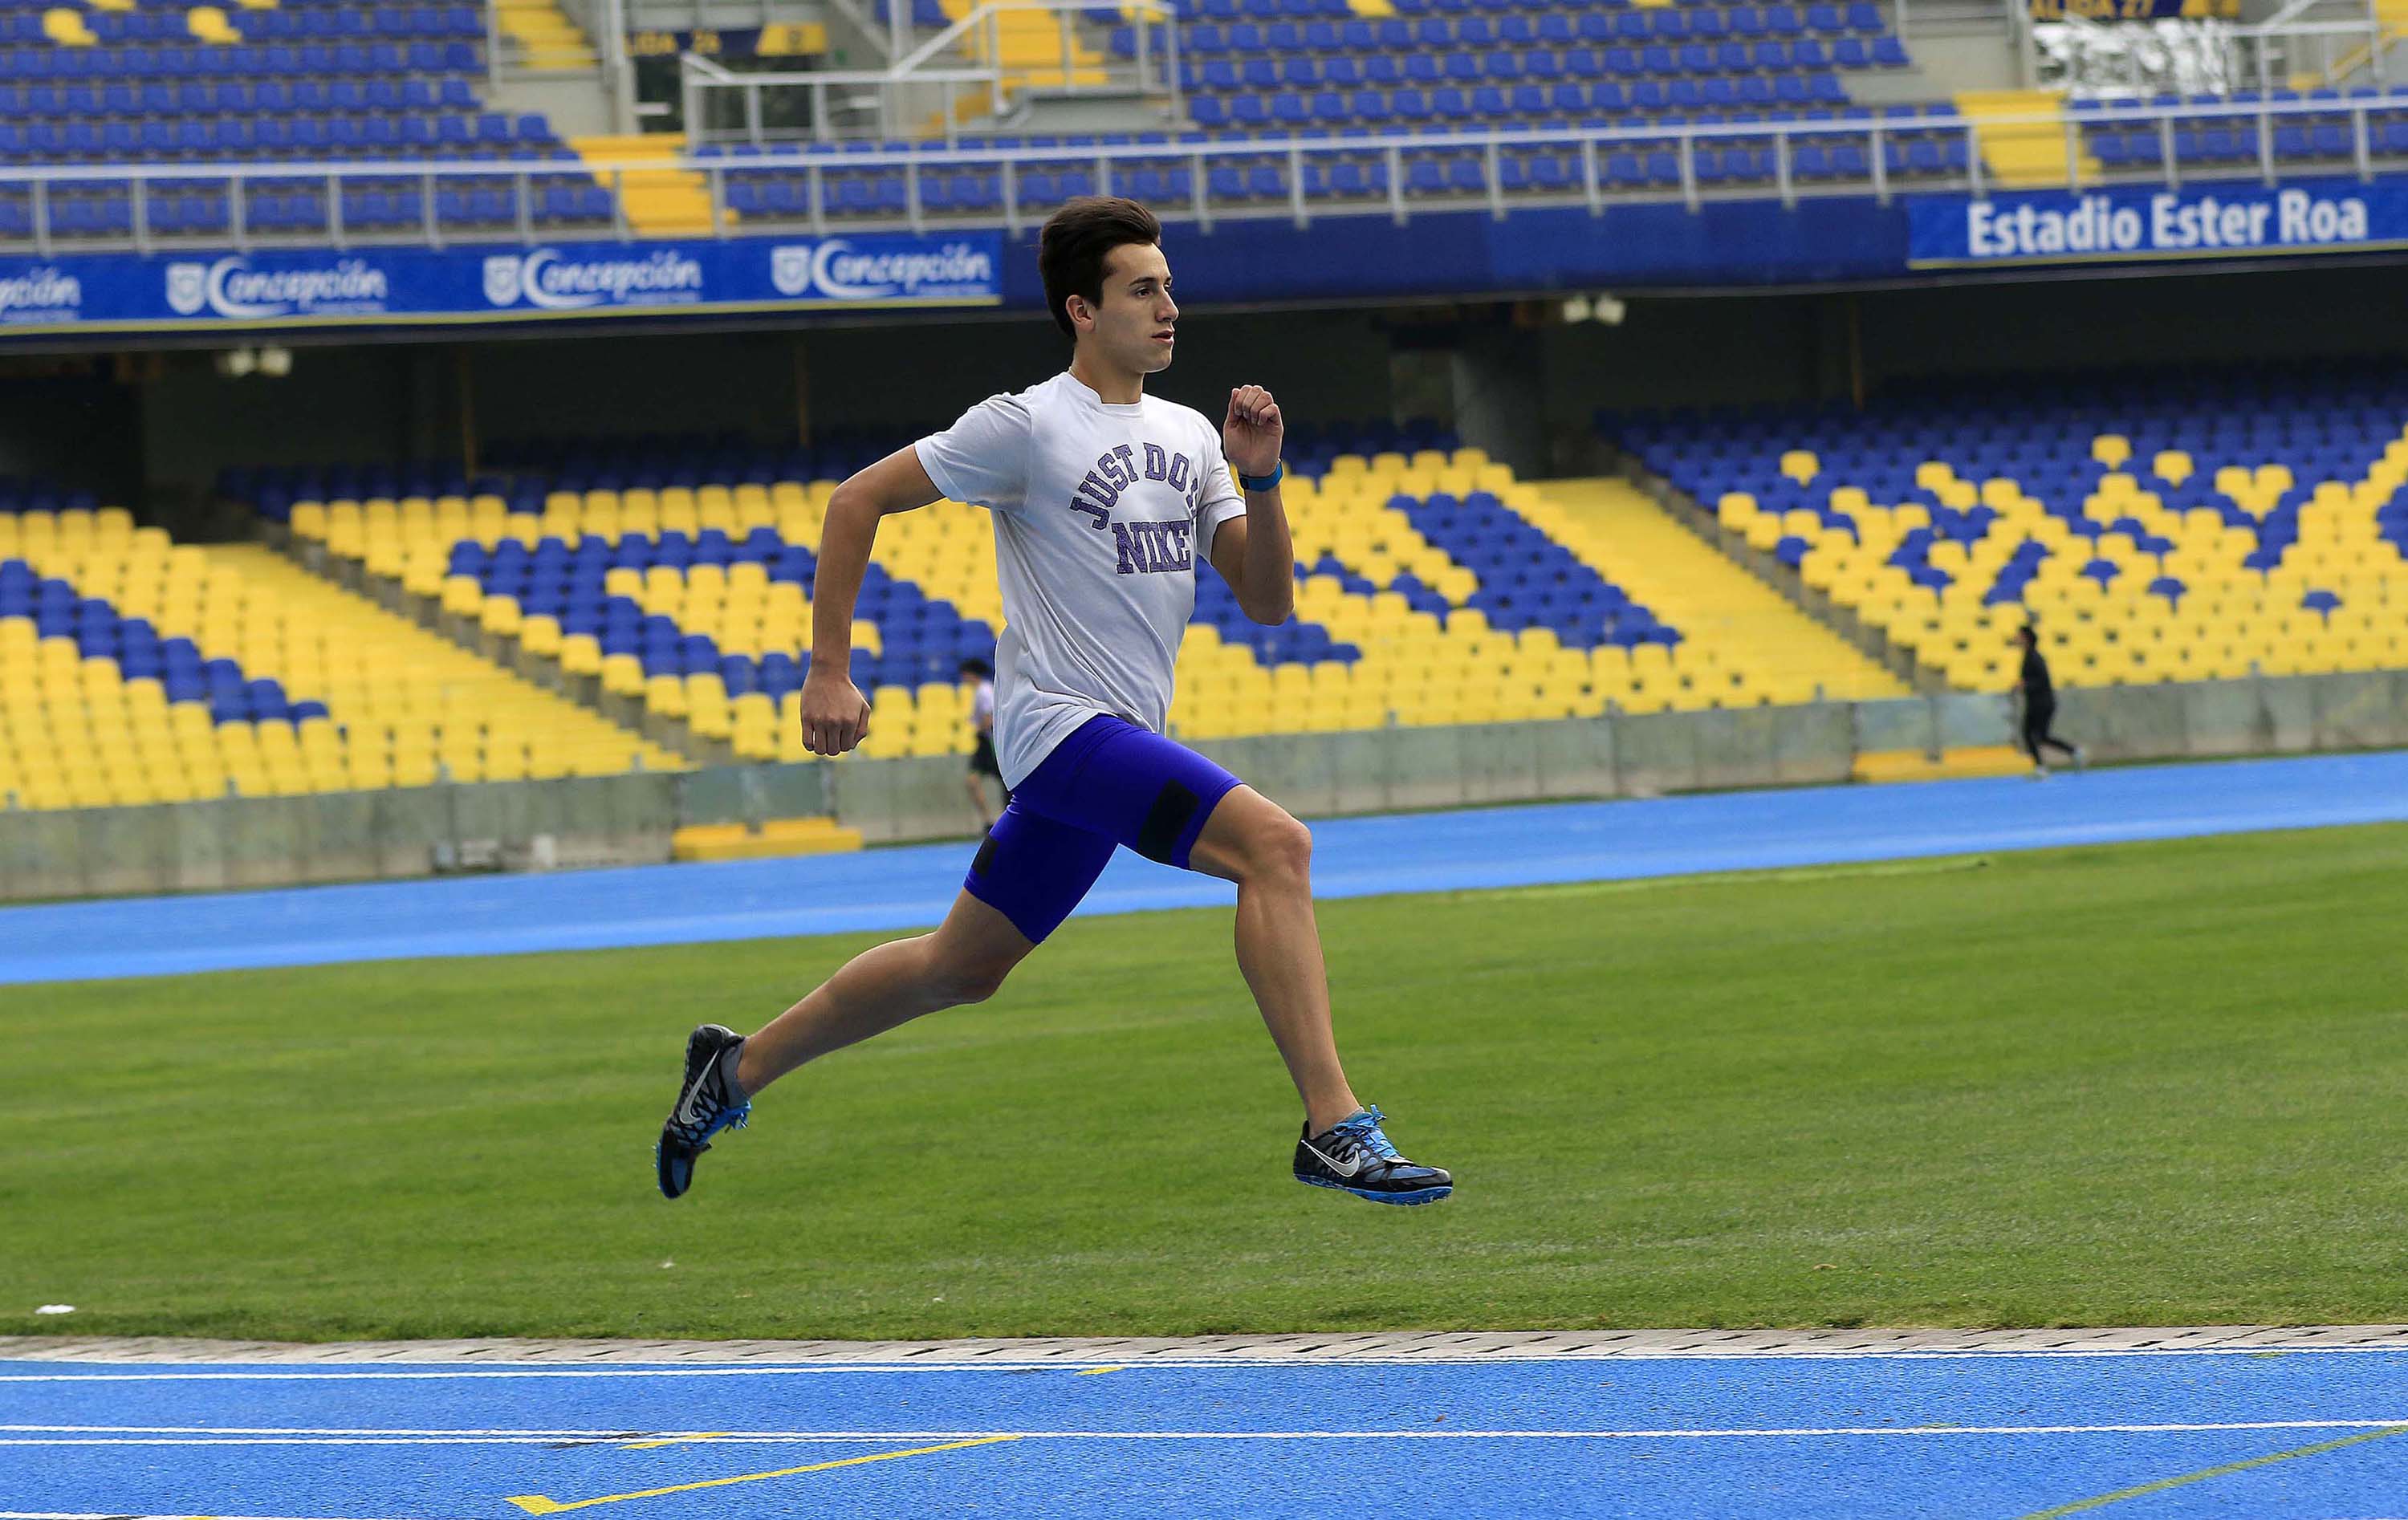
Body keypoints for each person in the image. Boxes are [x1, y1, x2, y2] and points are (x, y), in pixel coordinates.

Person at [656, 197, 1451, 1207]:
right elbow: (855, 499)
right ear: (1082, 309)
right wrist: (828, 668)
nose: (1170, 308)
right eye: (1144, 289)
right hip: (1061, 729)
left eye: (1169, 286)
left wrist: (1262, 481)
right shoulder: (1023, 425)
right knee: (1276, 847)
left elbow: (1267, 599)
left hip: (1112, 744)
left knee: (960, 968)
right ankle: (1335, 1126)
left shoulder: (1190, 434)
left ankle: (731, 1070)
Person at [2015, 625, 2084, 778]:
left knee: (2031, 735)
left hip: (2041, 703)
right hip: (2036, 702)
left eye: (2019, 635)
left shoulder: (2034, 657)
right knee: (2039, 736)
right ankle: (2073, 752)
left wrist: (2026, 685)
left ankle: (2041, 767)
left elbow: (2043, 680)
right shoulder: (2028, 656)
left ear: (2026, 638)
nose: (2016, 638)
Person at [959, 656, 1007, 827]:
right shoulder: (983, 690)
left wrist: (978, 729)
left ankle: (1000, 821)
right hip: (986, 742)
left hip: (989, 742)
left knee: (1004, 782)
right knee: (974, 781)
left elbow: (989, 718)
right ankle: (990, 821)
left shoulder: (984, 691)